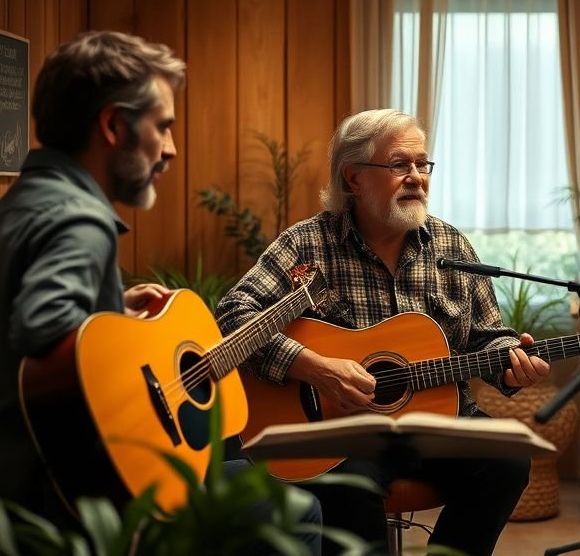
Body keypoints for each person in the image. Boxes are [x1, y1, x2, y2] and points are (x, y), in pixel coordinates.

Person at [0, 30, 321, 553]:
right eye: (162, 127)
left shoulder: (14, 209)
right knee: (294, 508)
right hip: (68, 505)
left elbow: (15, 332)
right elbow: (43, 327)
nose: (170, 148)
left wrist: (113, 310)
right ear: (115, 125)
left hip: (5, 486)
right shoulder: (81, 219)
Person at [215, 108, 551, 555]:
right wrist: (315, 367)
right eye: (399, 165)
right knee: (349, 486)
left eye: (421, 164)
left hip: (439, 421)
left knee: (507, 462)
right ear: (353, 178)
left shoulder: (450, 246)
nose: (416, 177)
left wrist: (510, 359)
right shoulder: (308, 243)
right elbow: (233, 315)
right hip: (339, 430)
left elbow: (485, 336)